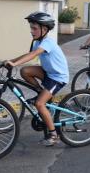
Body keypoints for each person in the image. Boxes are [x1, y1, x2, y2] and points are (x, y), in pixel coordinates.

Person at [4, 12, 69, 146]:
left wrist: (15, 64)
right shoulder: (38, 42)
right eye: (31, 28)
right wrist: (11, 61)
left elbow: (34, 54)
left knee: (39, 104)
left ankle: (53, 134)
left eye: (34, 28)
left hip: (57, 77)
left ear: (44, 29)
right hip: (48, 73)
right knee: (25, 71)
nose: (31, 31)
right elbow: (29, 54)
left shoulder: (48, 42)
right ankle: (41, 92)